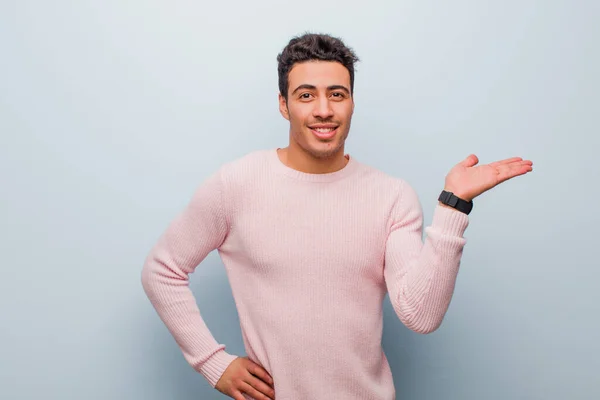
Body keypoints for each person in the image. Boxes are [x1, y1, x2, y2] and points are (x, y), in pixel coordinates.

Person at [141, 32, 533, 400]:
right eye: (306, 95)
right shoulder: (236, 184)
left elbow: (420, 314)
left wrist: (454, 205)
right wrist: (212, 362)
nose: (324, 110)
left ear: (352, 102)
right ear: (284, 104)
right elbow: (162, 270)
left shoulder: (391, 196)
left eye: (337, 94)